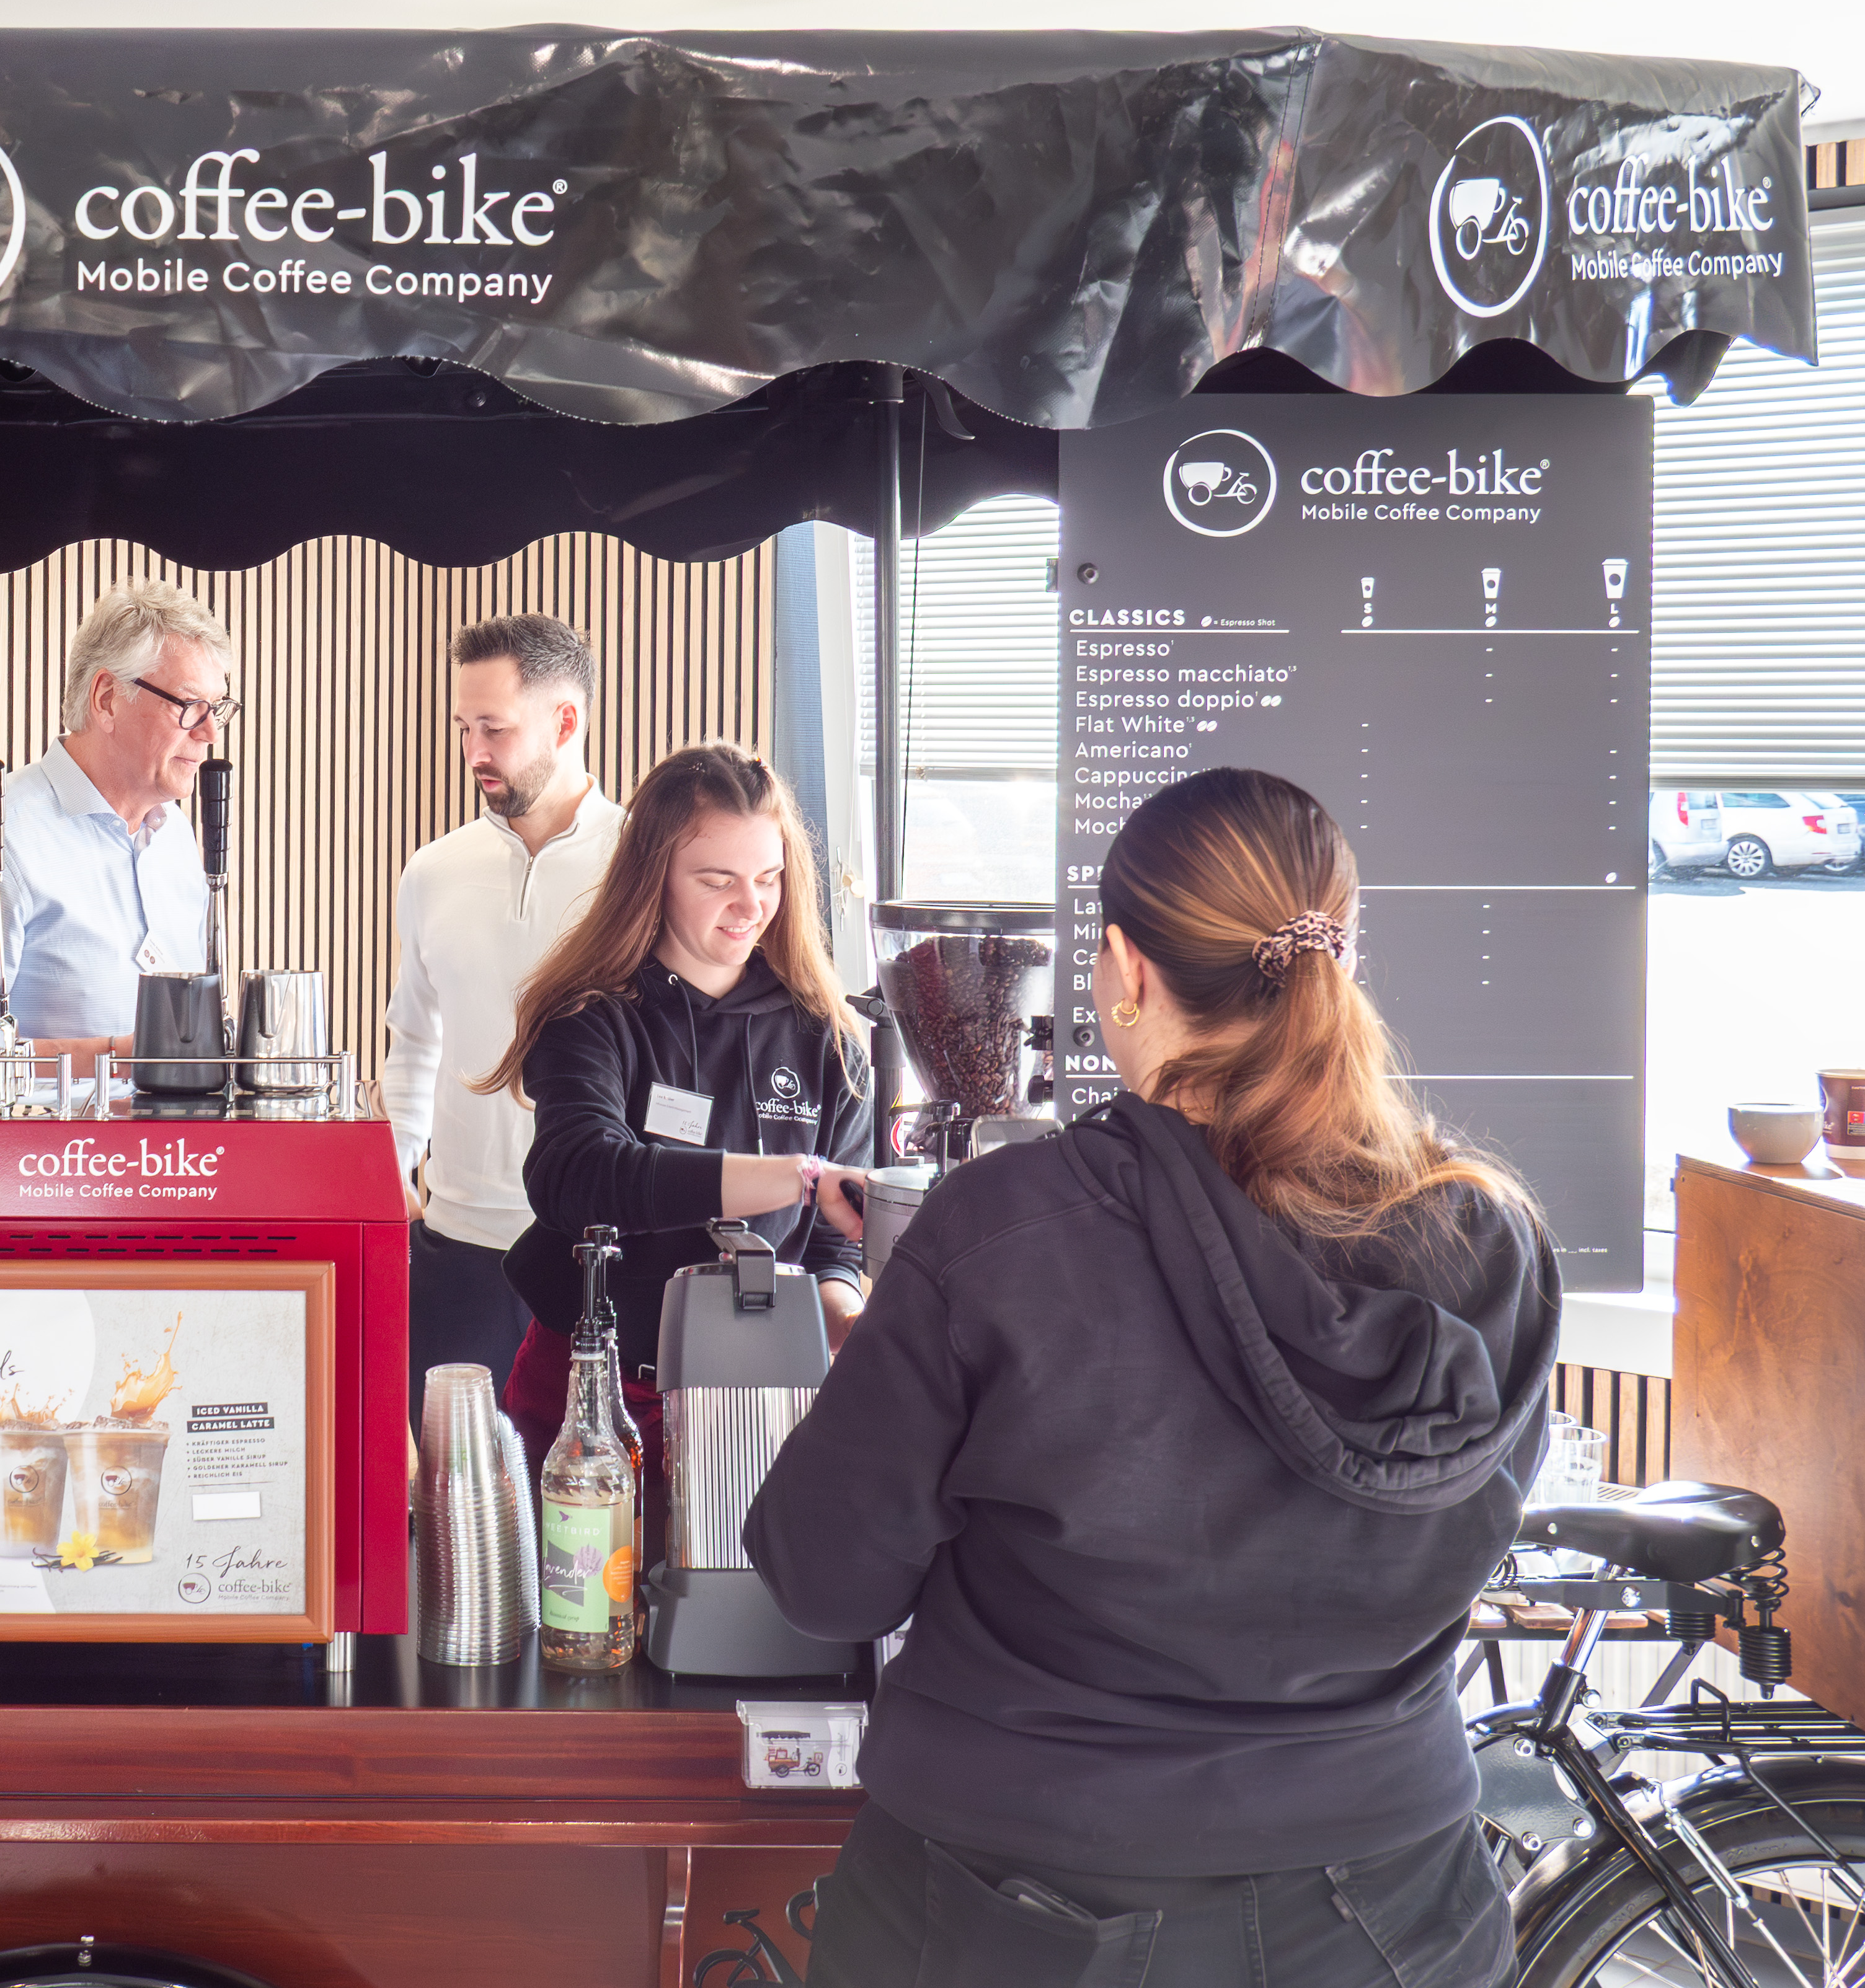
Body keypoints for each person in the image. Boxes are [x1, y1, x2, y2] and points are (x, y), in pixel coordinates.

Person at [748, 767, 1558, 1988]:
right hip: (1401, 1915)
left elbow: (825, 1580)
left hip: (1011, 1906)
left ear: (1124, 970)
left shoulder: (1003, 1234)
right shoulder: (1488, 1241)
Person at [478, 742, 870, 1490]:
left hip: (764, 1387)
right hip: (595, 1387)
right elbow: (579, 1175)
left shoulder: (830, 1036)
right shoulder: (593, 1018)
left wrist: (841, 1319)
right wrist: (795, 1177)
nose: (750, 905)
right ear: (653, 877)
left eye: (768, 878)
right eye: (717, 880)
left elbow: (832, 1248)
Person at [383, 613, 624, 1425]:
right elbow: (414, 1038)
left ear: (566, 721)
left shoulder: (642, 867)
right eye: (463, 728)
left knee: (597, 1515)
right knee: (447, 1518)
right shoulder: (433, 870)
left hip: (602, 1252)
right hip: (456, 1251)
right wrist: (393, 1163)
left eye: (496, 729)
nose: (475, 753)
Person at [0, 579, 233, 1054]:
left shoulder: (177, 836)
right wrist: (120, 1057)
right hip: (35, 1131)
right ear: (106, 698)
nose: (210, 734)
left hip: (171, 1132)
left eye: (218, 710)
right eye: (189, 706)